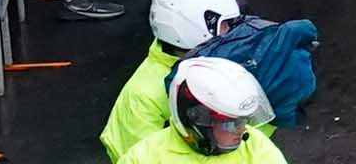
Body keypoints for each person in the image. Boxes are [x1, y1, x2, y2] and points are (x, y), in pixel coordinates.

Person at [105, 0, 241, 164]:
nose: (230, 32)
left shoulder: (208, 64)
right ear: (193, 29)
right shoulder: (143, 98)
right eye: (224, 25)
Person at [122, 56, 287, 164]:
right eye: (229, 124)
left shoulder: (256, 146)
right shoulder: (144, 157)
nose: (242, 130)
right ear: (197, 124)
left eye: (243, 120)